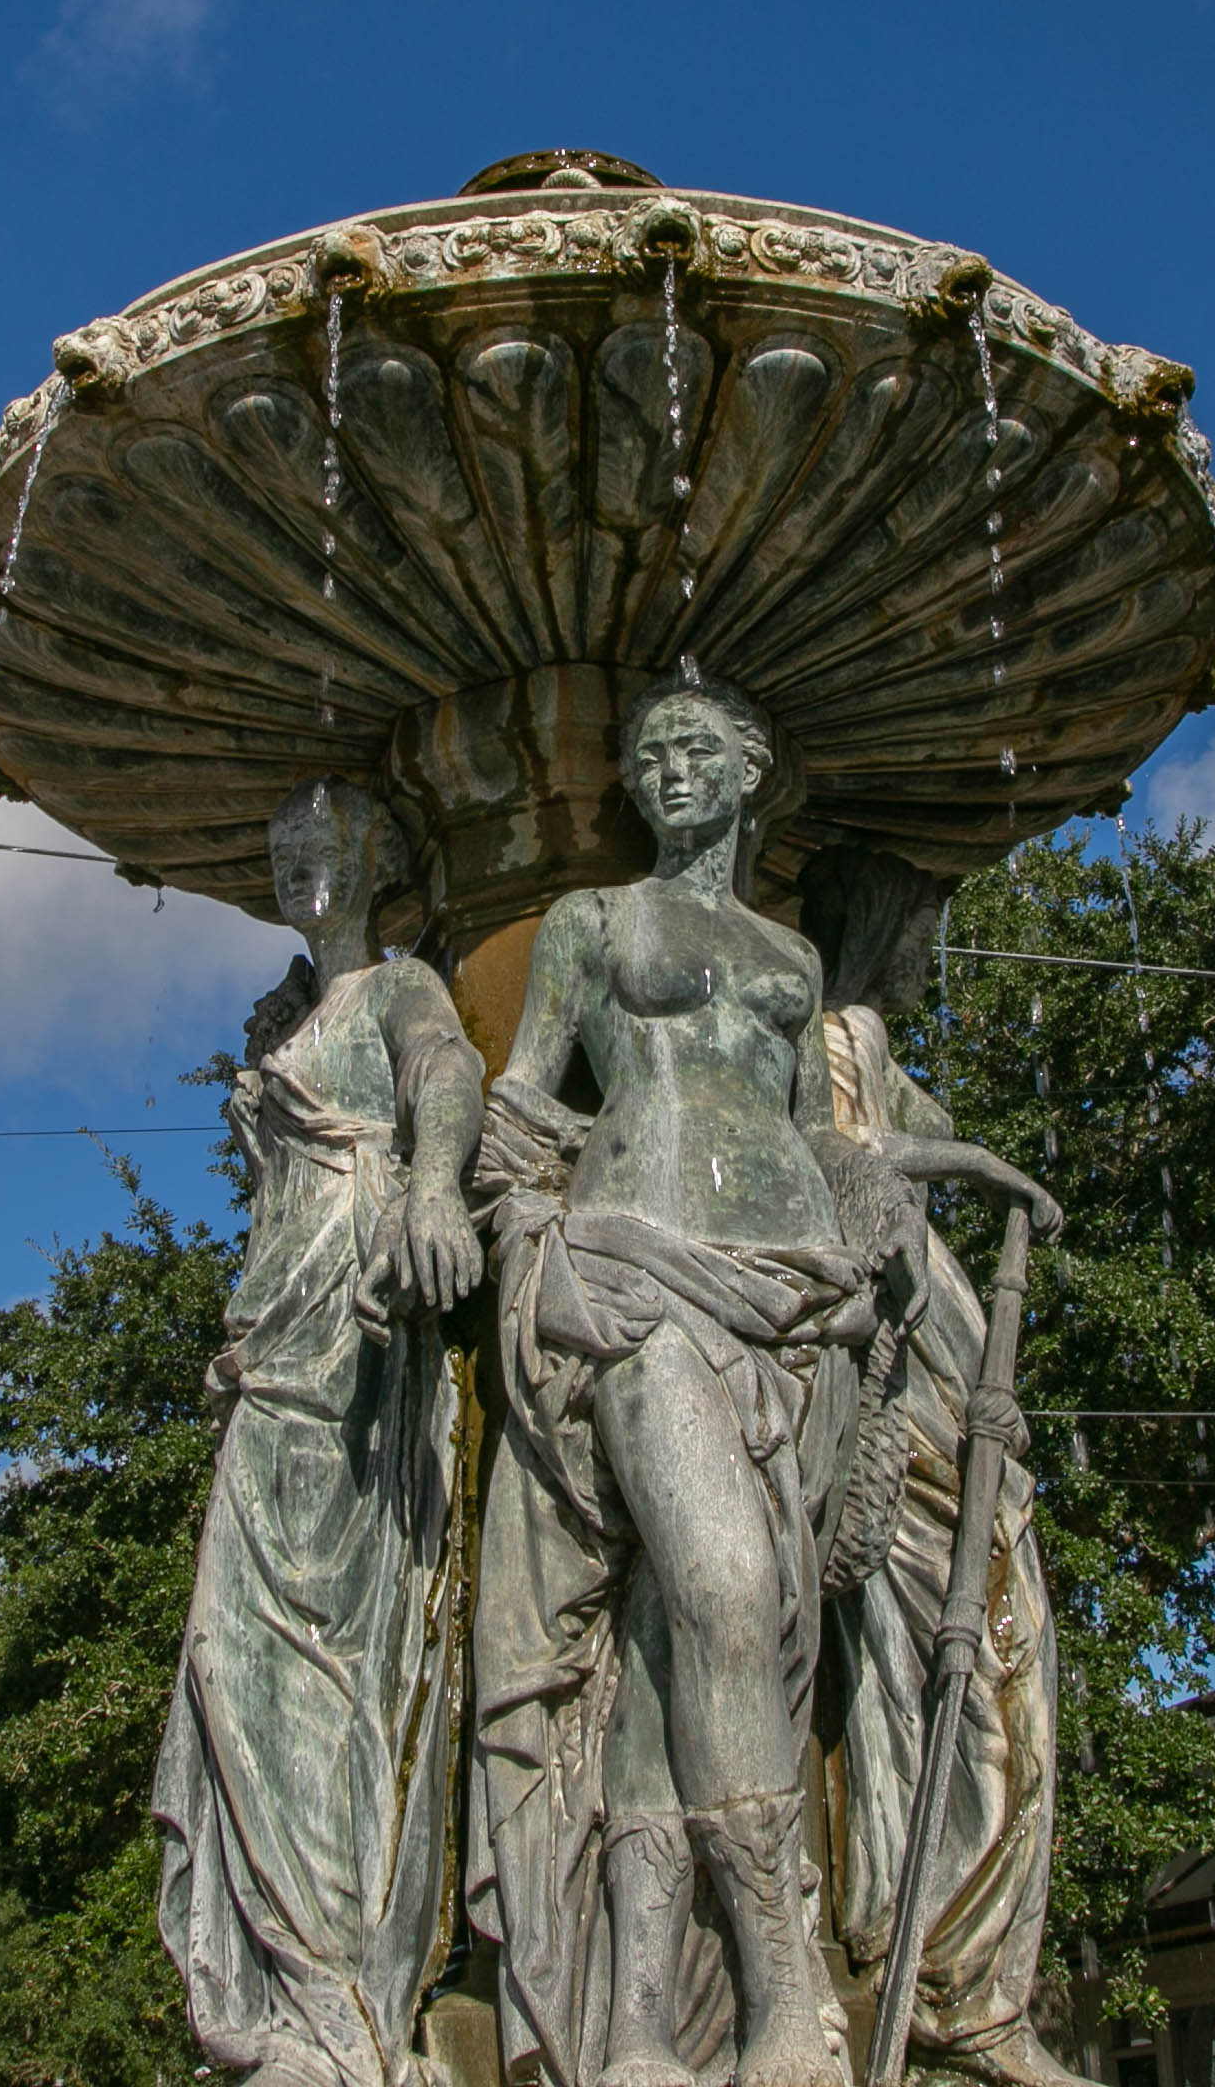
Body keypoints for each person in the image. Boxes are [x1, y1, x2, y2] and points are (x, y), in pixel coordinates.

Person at [466, 680, 1058, 2087]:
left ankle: (636, 2030)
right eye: (649, 754)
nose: (669, 772)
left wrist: (950, 1183)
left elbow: (824, 1141)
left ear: (750, 773)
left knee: (702, 1641)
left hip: (804, 1303)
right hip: (645, 1269)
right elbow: (526, 1103)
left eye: (697, 752)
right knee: (730, 1594)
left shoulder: (789, 956)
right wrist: (515, 1248)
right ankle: (787, 1988)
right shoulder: (592, 923)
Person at [155, 779, 485, 2087]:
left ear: (375, 857)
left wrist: (435, 1185)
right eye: (285, 853)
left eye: (323, 847)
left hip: (363, 1314)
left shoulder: (401, 988)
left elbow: (450, 1075)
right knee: (231, 1658)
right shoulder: (289, 1013)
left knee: (349, 1659)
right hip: (271, 1334)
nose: (301, 870)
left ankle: (345, 1984)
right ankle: (284, 1987)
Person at [796, 843, 1095, 2087]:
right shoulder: (811, 1032)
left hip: (957, 1411)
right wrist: (972, 1166)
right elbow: (817, 1159)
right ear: (876, 922)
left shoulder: (874, 1049)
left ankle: (979, 1989)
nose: (934, 960)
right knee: (951, 1688)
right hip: (888, 1414)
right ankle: (938, 1982)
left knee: (1016, 1680)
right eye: (924, 929)